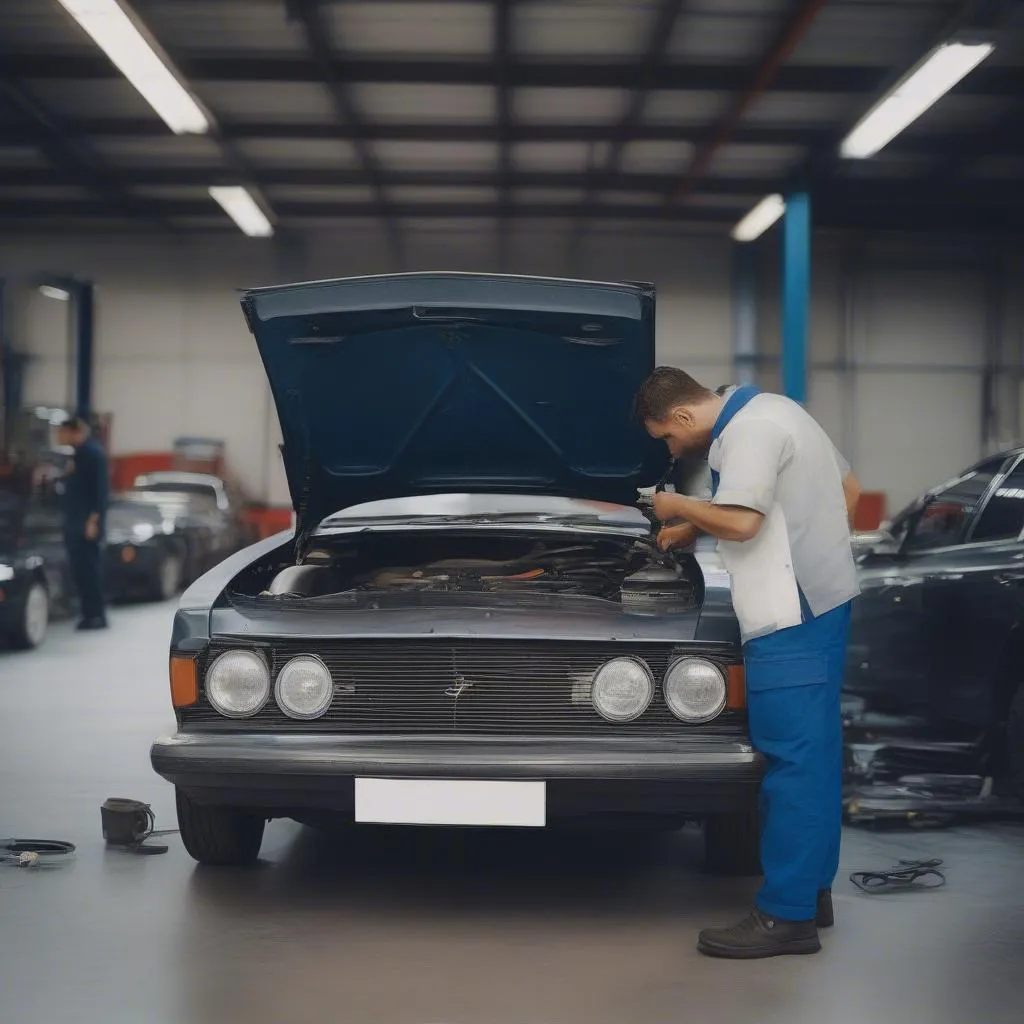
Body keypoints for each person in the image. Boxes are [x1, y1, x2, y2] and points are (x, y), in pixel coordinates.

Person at [633, 367, 861, 959]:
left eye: (666, 437)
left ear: (683, 416)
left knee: (789, 763)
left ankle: (786, 917)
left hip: (790, 617)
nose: (671, 447)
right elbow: (849, 491)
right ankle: (812, 894)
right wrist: (694, 528)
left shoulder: (749, 433)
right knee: (814, 757)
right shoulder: (781, 411)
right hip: (824, 604)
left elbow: (743, 521)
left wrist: (674, 505)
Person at [56, 416, 109, 630]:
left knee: (88, 569)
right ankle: (89, 612)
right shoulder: (79, 454)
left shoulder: (92, 454)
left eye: (64, 432)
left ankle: (96, 615)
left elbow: (99, 492)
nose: (61, 437)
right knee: (81, 569)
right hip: (76, 520)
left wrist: (92, 522)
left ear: (75, 431)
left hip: (85, 523)